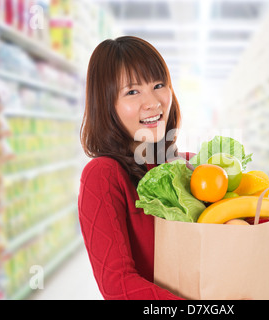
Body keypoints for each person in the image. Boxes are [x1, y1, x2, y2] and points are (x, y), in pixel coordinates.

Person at [78, 36, 189, 299]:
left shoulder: (188, 165)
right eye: (132, 91)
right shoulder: (103, 176)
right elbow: (119, 286)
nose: (153, 102)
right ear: (106, 106)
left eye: (159, 85)